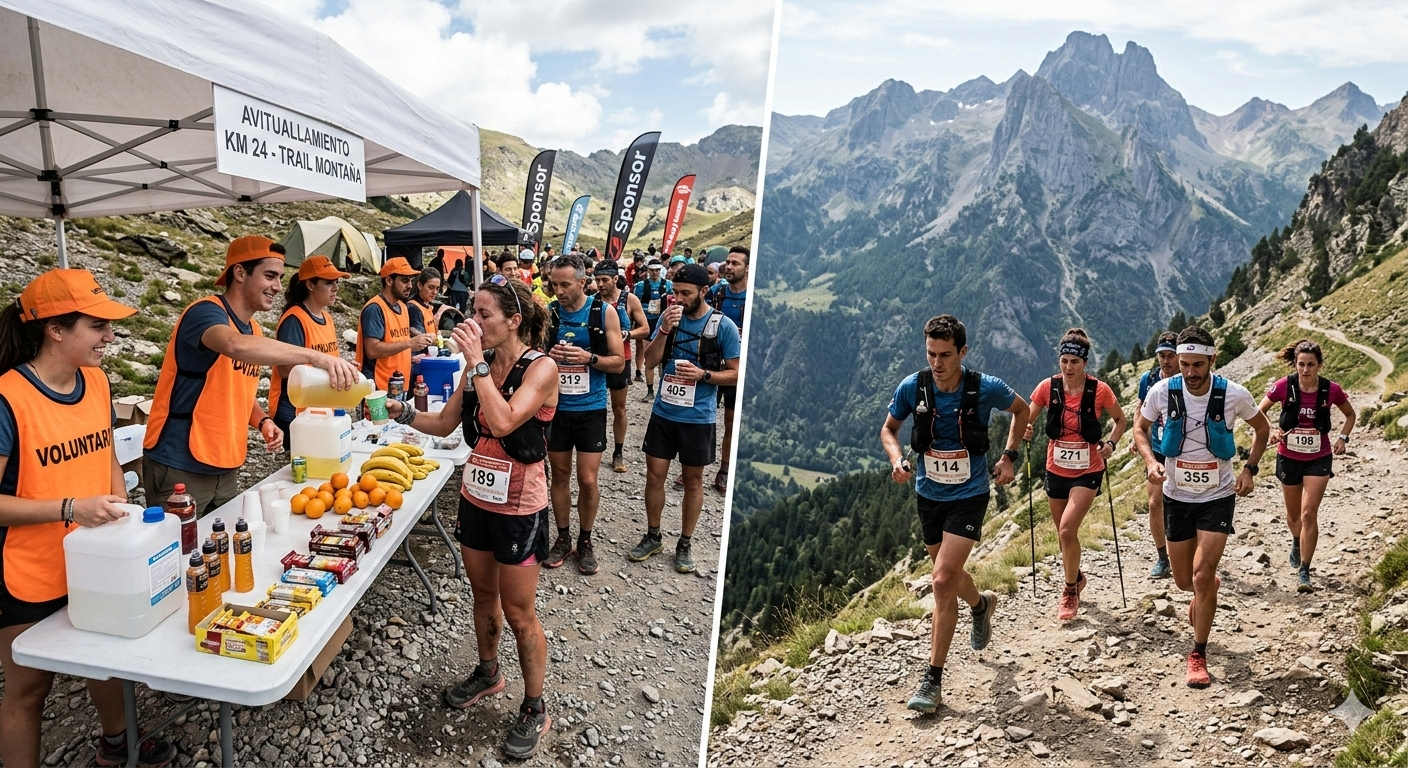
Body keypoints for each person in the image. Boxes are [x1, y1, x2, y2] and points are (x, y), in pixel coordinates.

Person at [0, 270, 177, 768]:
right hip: (28, 571)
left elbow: (105, 462)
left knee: (107, 653)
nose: (110, 336)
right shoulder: (7, 397)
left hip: (97, 558)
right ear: (55, 329)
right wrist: (69, 509)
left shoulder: (96, 382)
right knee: (28, 690)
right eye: (97, 326)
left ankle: (117, 742)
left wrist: (125, 513)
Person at [384, 274, 558, 760]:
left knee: (521, 612)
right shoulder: (473, 368)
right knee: (483, 594)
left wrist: (477, 363)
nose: (473, 322)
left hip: (520, 505)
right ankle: (488, 672)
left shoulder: (540, 368)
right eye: (471, 313)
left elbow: (504, 421)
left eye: (484, 315)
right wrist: (397, 411)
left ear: (513, 321)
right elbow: (443, 424)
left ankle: (535, 705)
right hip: (476, 495)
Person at [145, 237, 360, 514]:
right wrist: (315, 356)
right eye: (269, 276)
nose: (278, 287)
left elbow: (238, 389)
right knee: (182, 554)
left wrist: (263, 421)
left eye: (281, 277)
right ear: (239, 272)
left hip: (226, 463)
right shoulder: (206, 312)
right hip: (180, 463)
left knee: (218, 551)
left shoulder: (254, 330)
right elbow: (233, 345)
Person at [879, 314, 1028, 714]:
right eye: (931, 354)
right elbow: (888, 430)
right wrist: (896, 460)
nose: (937, 362)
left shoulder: (985, 388)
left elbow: (1022, 410)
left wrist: (1009, 457)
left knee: (942, 579)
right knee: (952, 576)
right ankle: (980, 605)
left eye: (945, 354)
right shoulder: (914, 386)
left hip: (970, 493)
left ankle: (933, 680)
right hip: (929, 493)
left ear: (962, 351)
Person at [1133, 326, 1269, 688]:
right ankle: (1205, 587)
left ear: (1213, 359)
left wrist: (1249, 469)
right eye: (1184, 364)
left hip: (1218, 496)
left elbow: (1263, 428)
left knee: (1201, 575)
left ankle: (1198, 653)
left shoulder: (1233, 395)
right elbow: (1140, 429)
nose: (1190, 373)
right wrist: (1150, 461)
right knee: (1182, 582)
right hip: (1177, 496)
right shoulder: (1163, 392)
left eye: (1197, 364)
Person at [630, 264, 740, 574]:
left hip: (698, 417)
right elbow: (650, 362)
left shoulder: (723, 326)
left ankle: (685, 543)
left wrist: (704, 374)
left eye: (685, 294)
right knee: (654, 476)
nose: (678, 299)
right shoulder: (670, 319)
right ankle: (653, 535)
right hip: (664, 413)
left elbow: (737, 373)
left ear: (704, 292)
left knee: (693, 481)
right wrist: (664, 329)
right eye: (674, 292)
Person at [1023, 328, 1127, 621]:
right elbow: (1024, 419)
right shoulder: (1047, 387)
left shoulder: (1100, 390)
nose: (1068, 368)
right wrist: (1025, 430)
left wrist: (1111, 444)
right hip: (1056, 469)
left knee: (1067, 530)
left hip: (1088, 470)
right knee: (1063, 534)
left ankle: (1069, 590)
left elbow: (1120, 421)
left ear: (1085, 363)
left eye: (1075, 362)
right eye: (1064, 361)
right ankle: (1077, 575)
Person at [543, 255, 625, 575]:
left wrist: (588, 357)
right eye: (554, 284)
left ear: (582, 281)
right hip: (556, 409)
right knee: (560, 475)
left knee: (588, 480)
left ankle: (586, 540)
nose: (559, 291)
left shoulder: (603, 312)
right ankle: (563, 538)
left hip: (590, 408)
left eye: (565, 284)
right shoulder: (549, 313)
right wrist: (546, 356)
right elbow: (531, 356)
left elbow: (618, 362)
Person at [1257, 339, 1356, 593]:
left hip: (1318, 457)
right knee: (1293, 516)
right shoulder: (1283, 386)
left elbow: (1350, 414)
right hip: (1289, 456)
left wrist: (1342, 438)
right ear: (1295, 364)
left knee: (1308, 513)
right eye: (1301, 364)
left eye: (1311, 364)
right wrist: (1272, 431)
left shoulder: (1331, 390)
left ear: (1319, 365)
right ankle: (1296, 541)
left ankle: (1304, 570)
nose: (1305, 370)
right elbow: (1259, 412)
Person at [269, 255, 348, 446]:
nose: (335, 288)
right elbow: (286, 369)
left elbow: (328, 357)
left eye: (336, 282)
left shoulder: (327, 318)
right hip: (296, 412)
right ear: (310, 285)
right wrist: (328, 368)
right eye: (329, 283)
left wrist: (342, 366)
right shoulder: (294, 319)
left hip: (319, 408)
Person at [593, 261, 649, 473]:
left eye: (604, 280)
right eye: (597, 280)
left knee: (619, 408)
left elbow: (645, 328)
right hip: (597, 359)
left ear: (615, 279)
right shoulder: (593, 300)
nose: (600, 284)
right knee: (595, 407)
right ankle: (595, 448)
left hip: (620, 360)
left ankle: (618, 451)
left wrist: (627, 334)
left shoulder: (629, 299)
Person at [706, 245, 749, 495]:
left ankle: (724, 470)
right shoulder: (716, 293)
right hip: (713, 364)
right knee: (705, 418)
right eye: (728, 263)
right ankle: (696, 464)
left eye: (735, 263)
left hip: (736, 368)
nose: (729, 267)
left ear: (746, 268)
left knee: (731, 423)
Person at [356, 257, 436, 392]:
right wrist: (410, 343)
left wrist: (411, 357)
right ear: (388, 280)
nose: (410, 285)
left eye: (411, 280)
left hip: (399, 385)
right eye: (404, 280)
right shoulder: (375, 309)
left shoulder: (402, 307)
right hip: (379, 387)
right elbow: (372, 350)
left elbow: (396, 342)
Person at [1137, 332, 1180, 579]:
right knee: (1155, 503)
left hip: (1185, 452)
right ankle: (1163, 557)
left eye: (1171, 356)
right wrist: (1138, 436)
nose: (1166, 361)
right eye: (1162, 356)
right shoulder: (1149, 379)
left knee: (1184, 503)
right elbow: (1140, 409)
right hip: (1157, 450)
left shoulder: (1189, 379)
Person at [632, 259, 672, 397]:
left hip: (660, 320)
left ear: (660, 270)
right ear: (648, 271)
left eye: (657, 270)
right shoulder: (641, 285)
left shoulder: (668, 285)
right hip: (646, 319)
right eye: (652, 270)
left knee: (663, 353)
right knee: (643, 348)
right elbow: (635, 303)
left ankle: (662, 386)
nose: (654, 273)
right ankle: (640, 373)